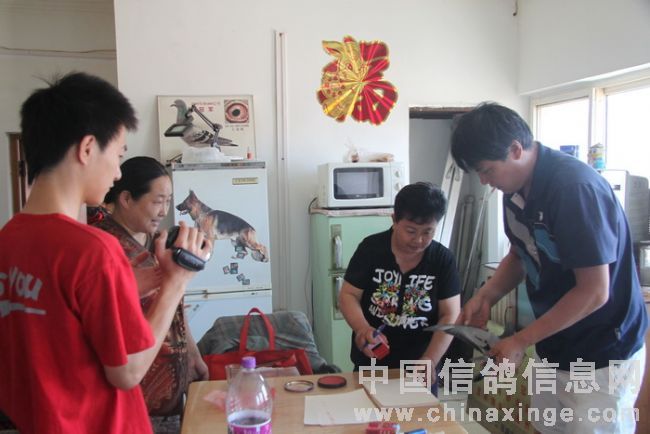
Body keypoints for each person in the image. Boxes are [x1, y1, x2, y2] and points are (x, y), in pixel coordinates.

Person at [0, 72, 210, 434]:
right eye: (118, 154)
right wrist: (176, 282)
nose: (116, 173)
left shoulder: (9, 240)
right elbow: (127, 371)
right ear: (87, 149)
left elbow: (65, 316)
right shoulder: (92, 248)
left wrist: (153, 277)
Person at [450, 102, 648, 433]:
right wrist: (487, 295)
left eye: (487, 170)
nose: (484, 181)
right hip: (554, 345)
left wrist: (520, 340)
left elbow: (594, 291)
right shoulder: (513, 190)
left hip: (601, 354)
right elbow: (520, 253)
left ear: (516, 150)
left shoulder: (574, 188)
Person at [88, 156, 209, 432]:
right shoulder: (103, 248)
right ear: (126, 199)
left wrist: (192, 354)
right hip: (132, 402)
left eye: (168, 201)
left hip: (169, 397)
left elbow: (174, 305)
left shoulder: (157, 243)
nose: (163, 211)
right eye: (157, 201)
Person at [338, 182, 461, 391]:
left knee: (419, 412)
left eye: (428, 232)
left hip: (420, 365)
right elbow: (348, 295)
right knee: (367, 411)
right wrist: (362, 328)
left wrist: (430, 359)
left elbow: (450, 314)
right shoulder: (371, 249)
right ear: (394, 219)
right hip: (372, 362)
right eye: (411, 231)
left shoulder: (442, 260)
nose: (419, 240)